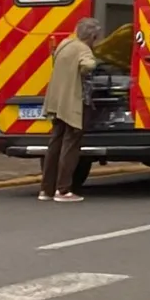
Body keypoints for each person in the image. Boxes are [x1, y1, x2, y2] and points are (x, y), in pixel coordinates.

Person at [40, 17, 101, 202]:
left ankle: (46, 190)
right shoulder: (84, 49)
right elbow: (87, 65)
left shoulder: (64, 44)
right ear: (92, 36)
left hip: (57, 101)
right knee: (71, 144)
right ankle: (64, 190)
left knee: (55, 144)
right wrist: (91, 64)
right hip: (73, 103)